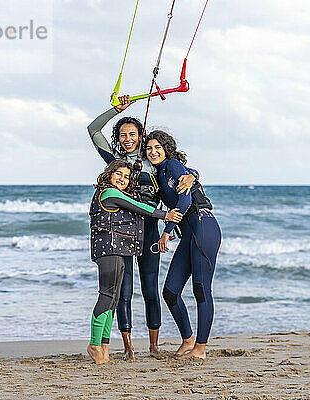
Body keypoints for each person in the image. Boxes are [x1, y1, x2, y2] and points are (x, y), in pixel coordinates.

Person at [87, 96, 197, 360]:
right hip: (122, 231)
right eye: (122, 134)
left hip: (148, 229)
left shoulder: (154, 162)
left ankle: (153, 346)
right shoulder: (115, 161)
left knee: (150, 289)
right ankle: (127, 347)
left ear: (141, 136)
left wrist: (193, 175)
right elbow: (93, 130)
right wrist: (116, 109)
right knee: (123, 292)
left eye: (133, 134)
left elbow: (180, 166)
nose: (127, 138)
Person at [86, 160, 182, 364]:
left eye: (127, 177)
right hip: (108, 249)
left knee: (113, 299)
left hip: (118, 250)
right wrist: (165, 214)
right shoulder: (108, 192)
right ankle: (94, 344)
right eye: (118, 174)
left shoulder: (115, 193)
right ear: (109, 174)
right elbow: (139, 207)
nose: (122, 179)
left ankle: (104, 345)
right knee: (106, 295)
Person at [144, 130, 221, 359]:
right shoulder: (158, 175)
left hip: (203, 226)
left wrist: (166, 233)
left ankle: (201, 348)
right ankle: (188, 340)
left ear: (166, 149)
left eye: (157, 147)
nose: (153, 152)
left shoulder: (173, 165)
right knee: (170, 292)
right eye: (149, 148)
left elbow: (186, 199)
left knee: (201, 289)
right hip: (188, 235)